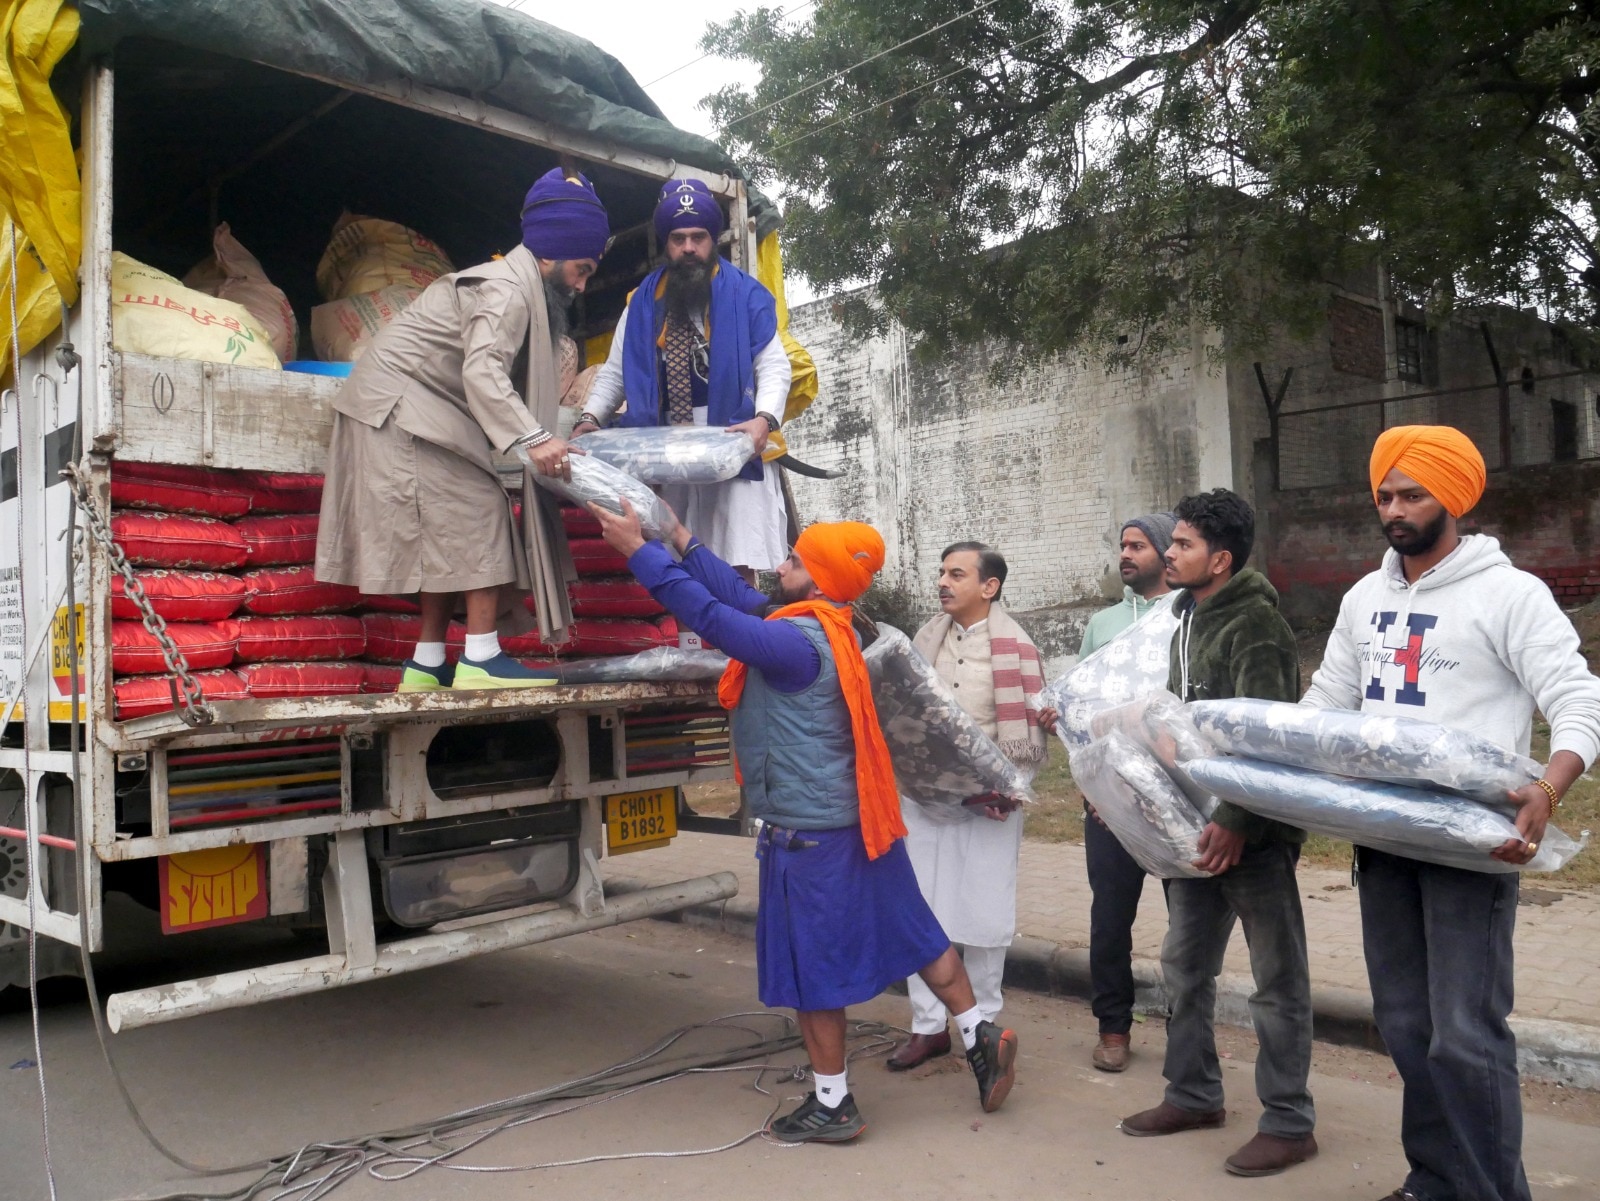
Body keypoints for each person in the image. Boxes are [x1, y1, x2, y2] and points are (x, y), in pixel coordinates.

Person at [587, 498, 1019, 1143]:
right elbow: (736, 594)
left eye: (793, 559)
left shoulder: (791, 643)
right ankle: (982, 1032)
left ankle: (834, 1104)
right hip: (862, 819)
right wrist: (679, 535)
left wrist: (636, 551)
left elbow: (707, 613)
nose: (779, 566)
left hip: (810, 835)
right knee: (918, 932)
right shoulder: (834, 626)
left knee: (813, 972)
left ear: (817, 578)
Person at [1301, 426, 1600, 1201]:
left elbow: (1577, 696)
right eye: (1385, 496)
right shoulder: (1364, 599)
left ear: (1455, 496)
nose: (1395, 510)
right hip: (1383, 838)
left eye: (1413, 494)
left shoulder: (1510, 594)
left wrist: (1551, 784)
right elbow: (1325, 705)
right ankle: (1434, 1179)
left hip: (1473, 845)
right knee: (1406, 1026)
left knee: (1466, 1037)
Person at [314, 168, 609, 691]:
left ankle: (426, 664)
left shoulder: (516, 284)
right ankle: (480, 660)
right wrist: (536, 439)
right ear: (553, 253)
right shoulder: (508, 291)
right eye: (581, 269)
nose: (582, 284)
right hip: (401, 408)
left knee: (442, 539)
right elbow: (483, 370)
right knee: (482, 508)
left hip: (404, 407)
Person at [1120, 488, 1317, 1179]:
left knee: (1276, 979)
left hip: (1251, 835)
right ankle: (1194, 1093)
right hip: (1194, 827)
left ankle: (1290, 1122)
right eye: (1169, 543)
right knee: (1184, 965)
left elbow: (1264, 734)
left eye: (1182, 545)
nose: (1169, 554)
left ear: (1220, 558)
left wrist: (1236, 820)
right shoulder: (1187, 616)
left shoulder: (1253, 622)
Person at [575, 178, 792, 576]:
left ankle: (734, 638)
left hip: (732, 437)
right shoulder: (641, 302)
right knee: (675, 558)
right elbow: (615, 374)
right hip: (665, 444)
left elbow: (774, 364)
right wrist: (588, 420)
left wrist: (765, 419)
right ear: (666, 243)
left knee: (734, 556)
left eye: (698, 237)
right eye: (678, 238)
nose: (689, 248)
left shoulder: (747, 294)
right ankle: (691, 641)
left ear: (712, 240)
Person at [885, 542, 1047, 1071]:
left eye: (957, 574)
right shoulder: (924, 639)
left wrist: (1004, 789)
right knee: (922, 913)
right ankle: (928, 1028)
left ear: (989, 586)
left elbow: (1030, 739)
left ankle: (984, 1027)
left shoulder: (1018, 648)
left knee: (982, 914)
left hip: (989, 806)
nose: (944, 582)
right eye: (942, 573)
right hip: (925, 799)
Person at [1076, 513, 1175, 1072]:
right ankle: (1113, 1028)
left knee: (1185, 923)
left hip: (1176, 796)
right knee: (1110, 920)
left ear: (1165, 553)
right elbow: (1083, 706)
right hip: (1110, 798)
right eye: (1122, 546)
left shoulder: (1187, 616)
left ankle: (1187, 1026)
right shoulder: (1104, 623)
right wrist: (1093, 783)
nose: (1126, 555)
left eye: (1138, 546)